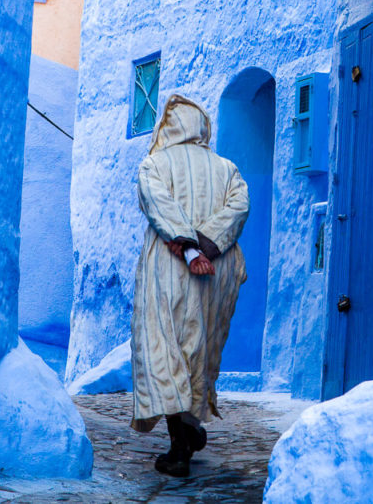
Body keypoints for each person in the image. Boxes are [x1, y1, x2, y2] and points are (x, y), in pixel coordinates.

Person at [130, 94, 250, 478]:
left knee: (166, 349)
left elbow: (157, 202)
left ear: (169, 126)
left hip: (171, 265)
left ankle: (180, 447)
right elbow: (239, 207)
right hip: (219, 266)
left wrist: (186, 243)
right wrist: (208, 244)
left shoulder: (154, 163)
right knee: (201, 350)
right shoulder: (227, 168)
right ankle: (191, 428)